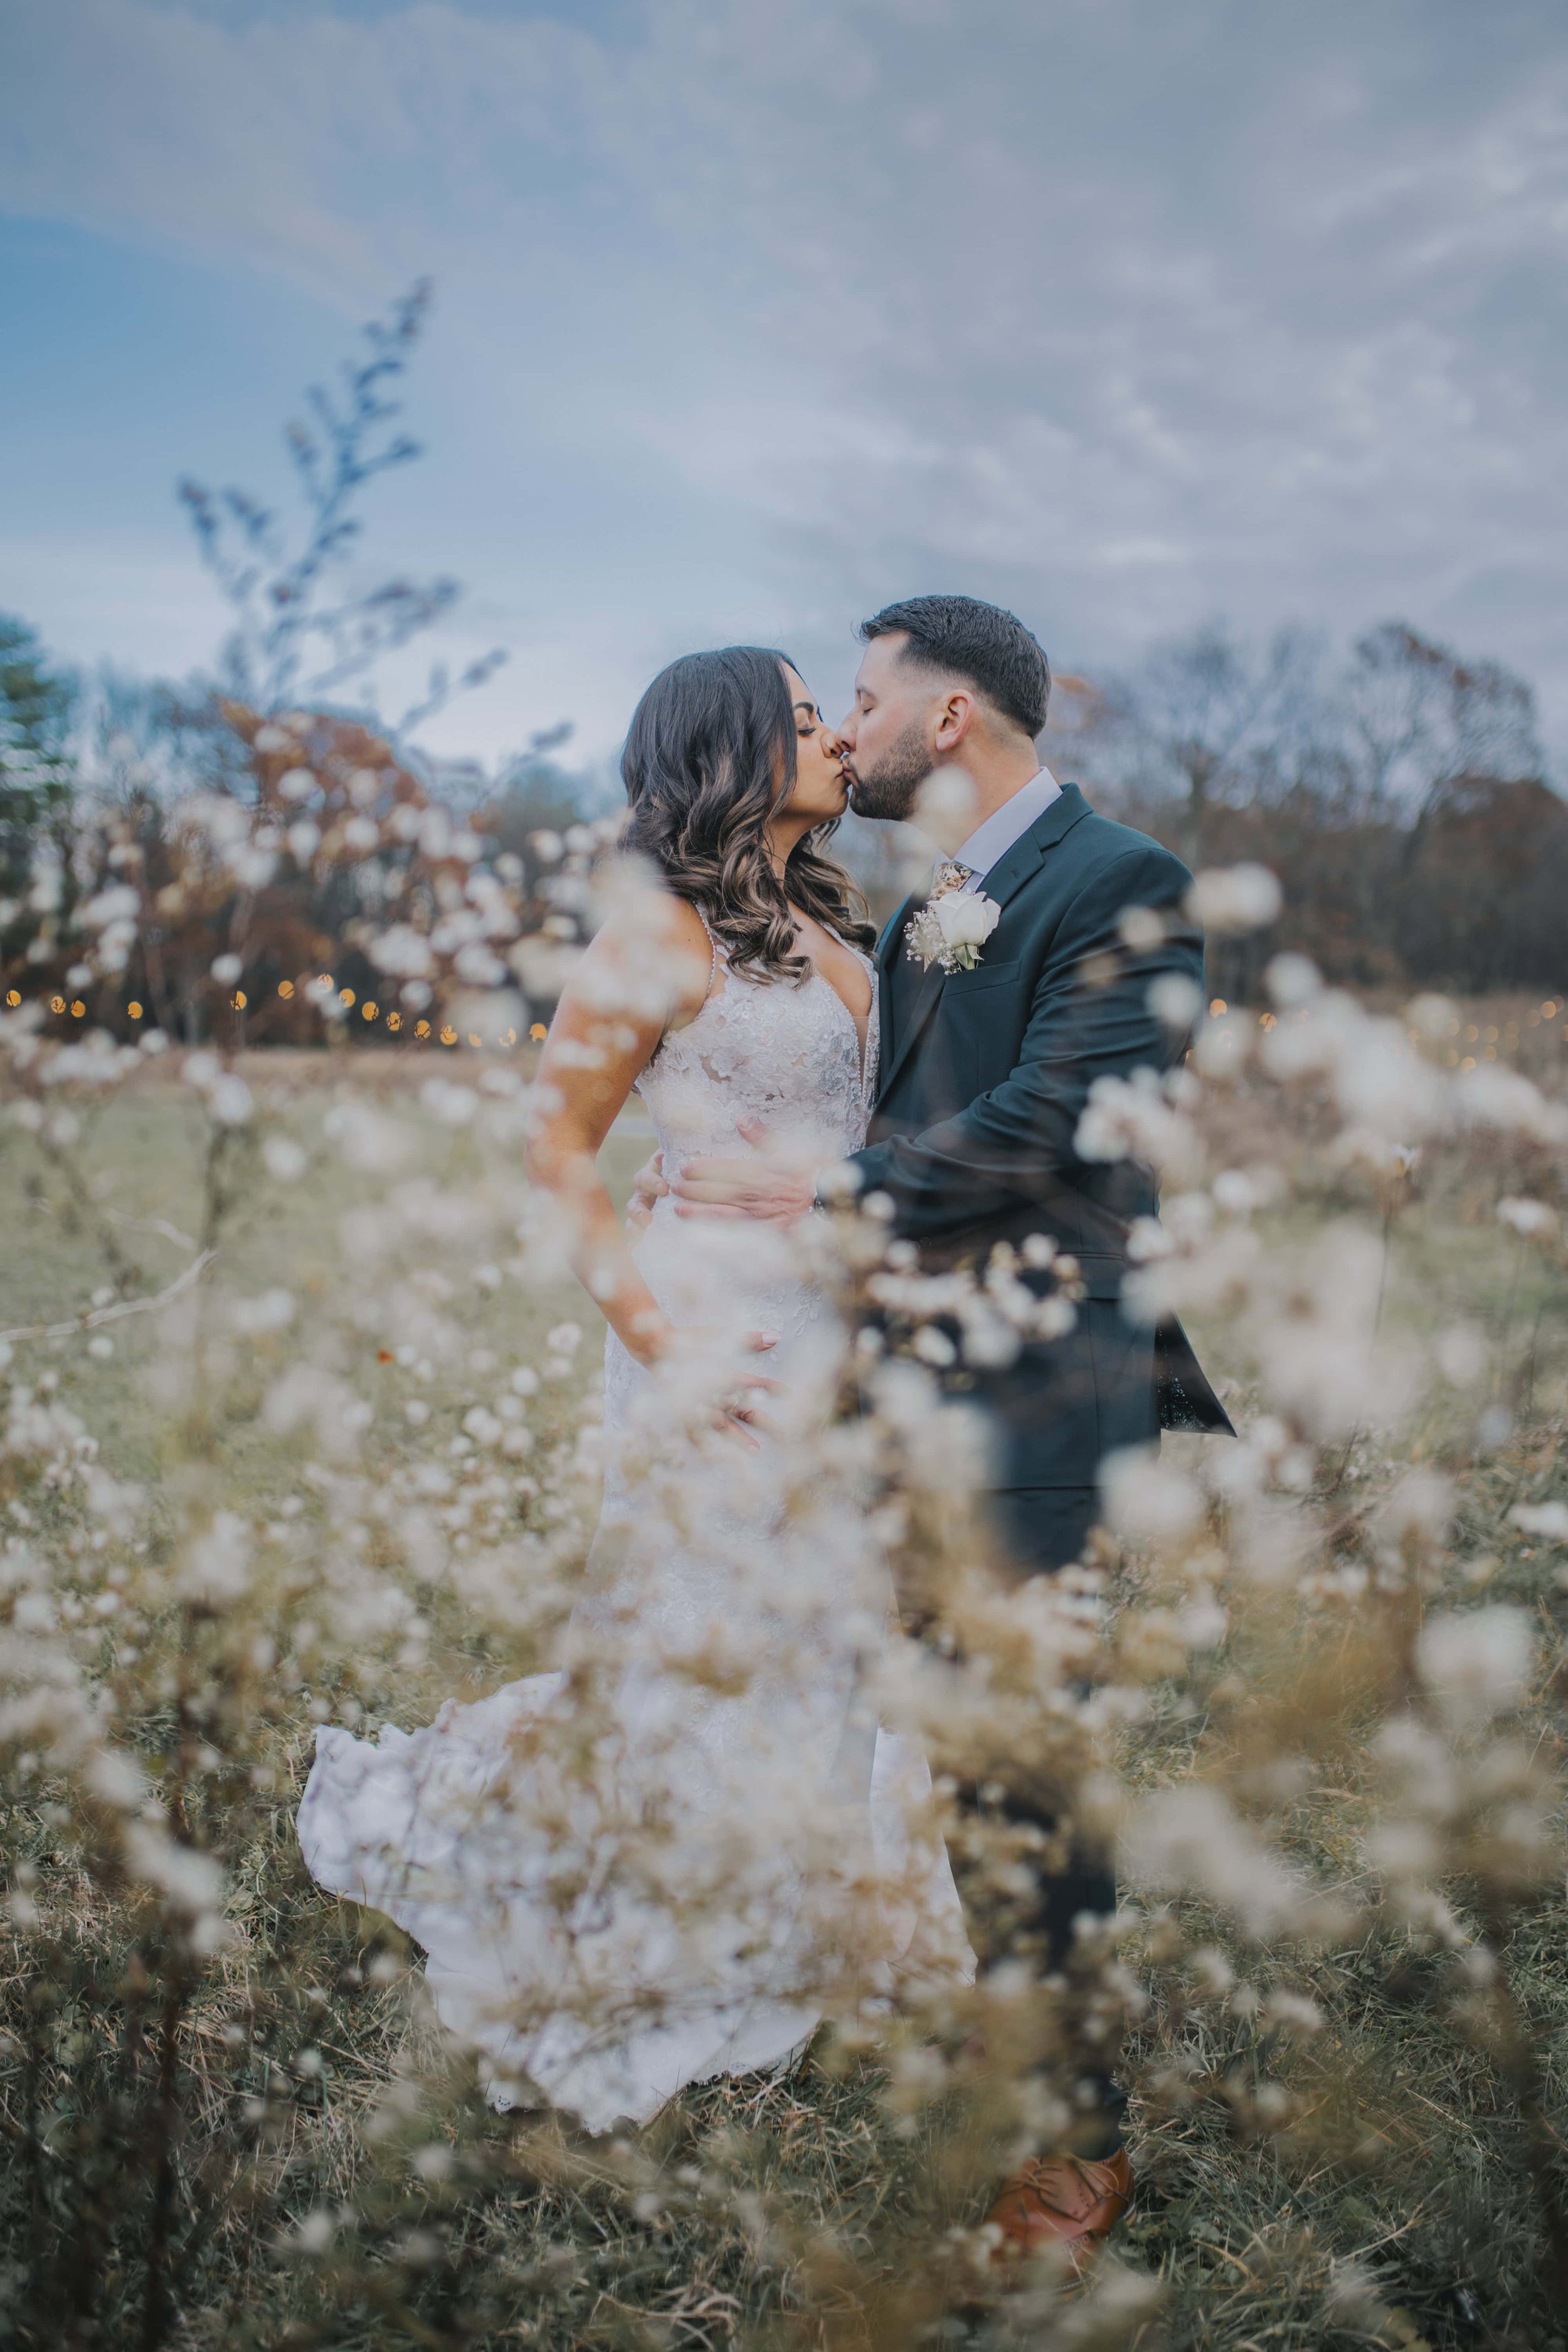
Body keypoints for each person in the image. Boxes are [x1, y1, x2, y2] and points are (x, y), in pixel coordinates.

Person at [297, 645, 970, 2136]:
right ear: (732, 751)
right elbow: (556, 1159)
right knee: (715, 1615)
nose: (834, 739)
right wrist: (665, 1354)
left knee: (840, 1614)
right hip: (711, 1325)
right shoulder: (655, 937)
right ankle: (676, 1902)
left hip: (844, 1318)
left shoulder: (836, 919)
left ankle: (815, 1901)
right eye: (804, 721)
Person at [644, 594, 1231, 2268]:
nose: (847, 723)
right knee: (956, 1740)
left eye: (865, 696)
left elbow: (1059, 1117)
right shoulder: (932, 904)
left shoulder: (1121, 881)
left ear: (949, 716)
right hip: (907, 1381)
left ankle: (1075, 2147)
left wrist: (825, 1190)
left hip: (1039, 1381)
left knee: (1013, 1749)